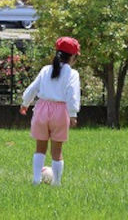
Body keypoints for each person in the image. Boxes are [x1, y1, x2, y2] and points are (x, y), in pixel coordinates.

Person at [20, 37, 81, 186]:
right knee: (57, 151)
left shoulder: (45, 69)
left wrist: (25, 103)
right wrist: (73, 114)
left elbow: (33, 88)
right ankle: (57, 182)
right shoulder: (72, 74)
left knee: (40, 147)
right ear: (73, 56)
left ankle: (36, 179)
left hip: (41, 109)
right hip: (60, 112)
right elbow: (72, 95)